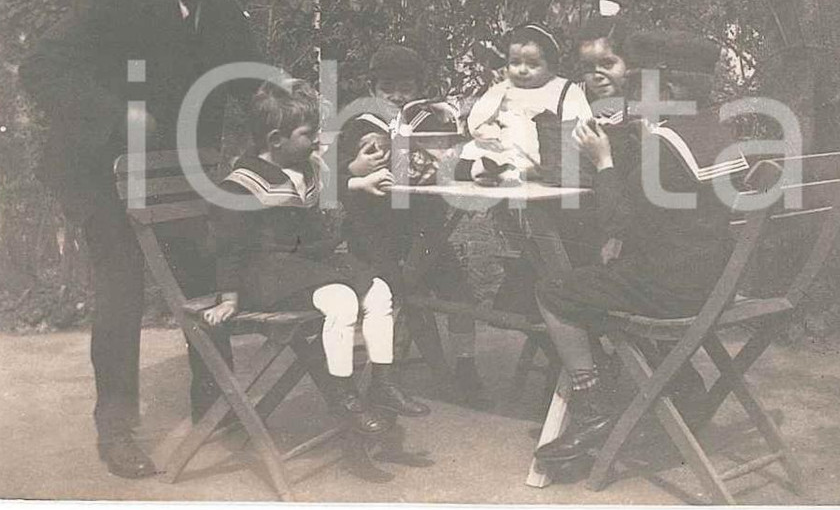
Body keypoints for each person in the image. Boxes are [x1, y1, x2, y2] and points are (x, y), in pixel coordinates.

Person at [19, 0, 274, 478]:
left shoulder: (224, 9)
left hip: (173, 172)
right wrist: (117, 115)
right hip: (97, 167)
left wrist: (292, 116)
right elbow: (41, 67)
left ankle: (215, 403)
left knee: (204, 273)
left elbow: (254, 84)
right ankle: (116, 428)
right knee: (122, 283)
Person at [533, 28, 749, 466]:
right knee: (610, 270)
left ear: (668, 90)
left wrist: (603, 161)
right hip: (713, 284)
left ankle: (592, 402)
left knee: (555, 290)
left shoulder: (665, 146)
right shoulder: (716, 132)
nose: (634, 96)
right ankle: (680, 384)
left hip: (669, 293)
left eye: (641, 87)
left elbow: (618, 221)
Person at [203, 78, 429, 435]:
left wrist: (360, 181)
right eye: (309, 134)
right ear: (276, 140)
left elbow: (335, 183)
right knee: (342, 300)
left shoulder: (301, 165)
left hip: (307, 265)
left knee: (380, 291)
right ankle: (344, 397)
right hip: (264, 273)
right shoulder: (242, 183)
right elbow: (228, 245)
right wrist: (229, 297)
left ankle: (382, 384)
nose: (316, 141)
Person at [335, 45, 491, 406]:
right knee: (407, 289)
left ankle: (465, 364)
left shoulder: (429, 122)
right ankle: (436, 373)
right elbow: (337, 174)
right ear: (372, 89)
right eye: (386, 88)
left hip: (424, 232)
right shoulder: (360, 125)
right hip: (375, 237)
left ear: (419, 89)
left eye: (405, 88)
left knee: (459, 291)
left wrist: (472, 166)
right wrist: (353, 168)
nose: (396, 96)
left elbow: (449, 160)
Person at [460, 24, 592, 185]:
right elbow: (478, 119)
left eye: (533, 64)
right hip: (504, 149)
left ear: (551, 67)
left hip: (545, 156)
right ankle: (488, 170)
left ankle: (502, 173)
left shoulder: (565, 89)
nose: (522, 70)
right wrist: (490, 132)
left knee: (546, 163)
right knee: (473, 156)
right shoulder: (504, 88)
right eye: (515, 63)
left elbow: (582, 126)